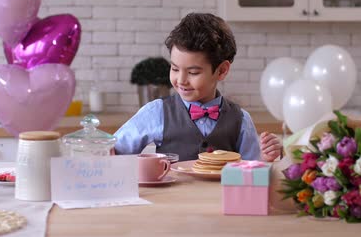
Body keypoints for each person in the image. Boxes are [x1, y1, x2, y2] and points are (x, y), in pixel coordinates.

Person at [114, 13, 282, 161]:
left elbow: (251, 170)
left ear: (221, 71)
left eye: (193, 72)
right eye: (174, 69)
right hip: (172, 198)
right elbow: (115, 150)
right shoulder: (157, 112)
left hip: (221, 198)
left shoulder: (241, 120)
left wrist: (265, 158)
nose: (181, 80)